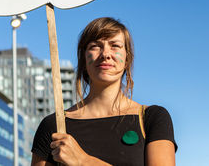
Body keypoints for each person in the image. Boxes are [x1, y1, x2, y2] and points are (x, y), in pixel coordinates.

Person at [31, 17, 177, 166]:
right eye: (95, 46)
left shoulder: (152, 118)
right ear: (83, 59)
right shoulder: (53, 125)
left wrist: (83, 161)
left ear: (127, 59)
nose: (105, 54)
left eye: (115, 46)